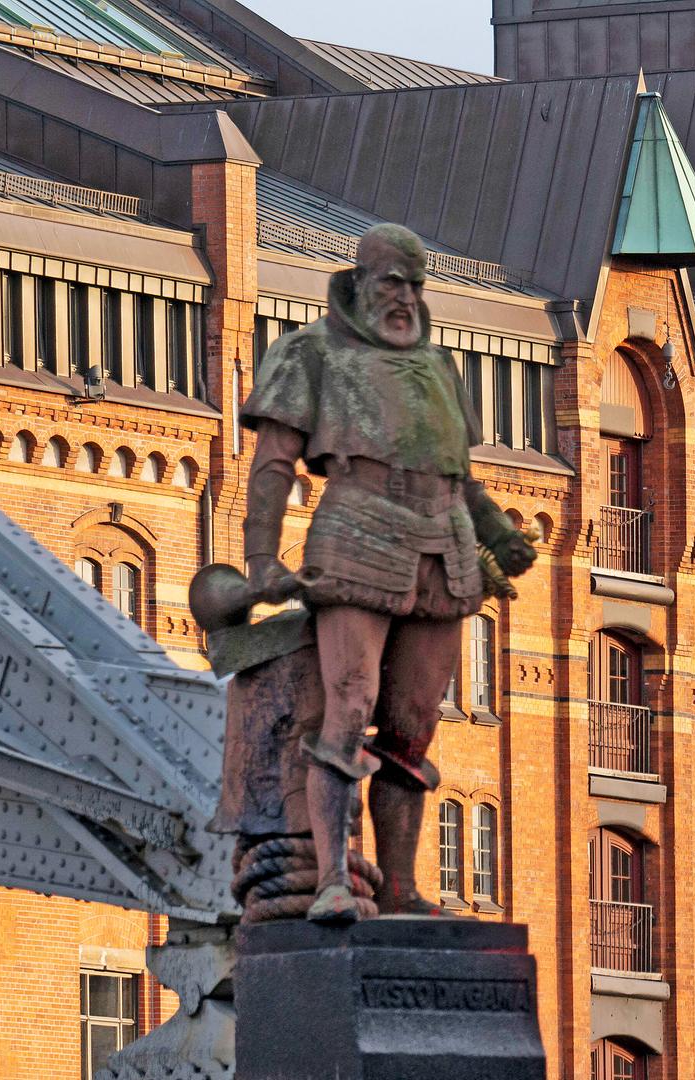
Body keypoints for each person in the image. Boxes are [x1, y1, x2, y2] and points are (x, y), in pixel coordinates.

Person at [240, 224, 535, 922]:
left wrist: (500, 534)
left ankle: (398, 887)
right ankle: (334, 882)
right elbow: (273, 465)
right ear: (361, 282)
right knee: (346, 705)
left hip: (444, 545)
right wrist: (259, 557)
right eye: (391, 283)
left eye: (414, 284)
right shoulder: (309, 354)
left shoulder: (438, 367)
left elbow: (458, 477)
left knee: (414, 725)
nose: (404, 297)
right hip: (356, 532)